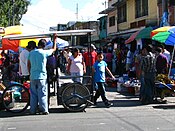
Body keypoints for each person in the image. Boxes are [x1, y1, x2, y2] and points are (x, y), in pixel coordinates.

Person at [28, 35, 57, 115]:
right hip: (42, 76)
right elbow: (54, 49)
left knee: (33, 94)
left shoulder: (31, 53)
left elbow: (29, 64)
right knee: (42, 94)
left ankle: (32, 110)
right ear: (44, 46)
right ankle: (44, 109)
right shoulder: (44, 53)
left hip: (33, 76)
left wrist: (30, 73)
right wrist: (55, 40)